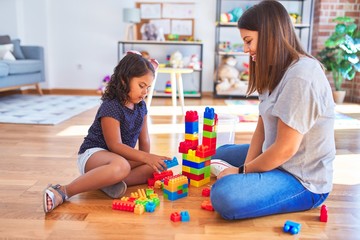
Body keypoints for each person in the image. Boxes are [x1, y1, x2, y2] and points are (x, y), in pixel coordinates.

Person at [210, 0, 336, 220]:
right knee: (217, 154)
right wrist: (246, 171)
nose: (245, 49)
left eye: (248, 41)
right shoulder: (274, 69)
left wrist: (241, 172)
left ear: (269, 35)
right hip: (277, 156)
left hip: (301, 178)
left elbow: (285, 149)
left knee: (225, 196)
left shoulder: (302, 76)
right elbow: (262, 126)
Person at [43, 51, 171, 213]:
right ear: (124, 80)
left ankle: (106, 182)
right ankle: (63, 191)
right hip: (94, 156)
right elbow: (115, 145)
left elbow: (144, 142)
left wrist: (151, 160)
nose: (145, 92)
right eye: (141, 86)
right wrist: (145, 157)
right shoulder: (111, 106)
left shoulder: (141, 107)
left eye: (148, 87)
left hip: (120, 160)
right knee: (122, 166)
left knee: (153, 169)